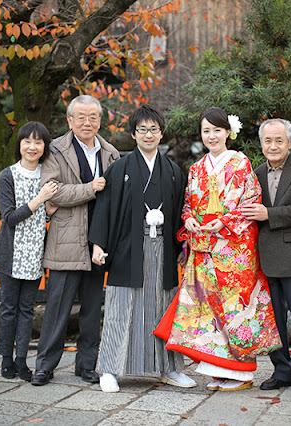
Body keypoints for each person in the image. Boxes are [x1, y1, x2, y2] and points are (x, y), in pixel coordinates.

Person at [154, 107, 281, 392]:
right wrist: (188, 219)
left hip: (234, 250)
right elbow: (188, 203)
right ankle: (218, 371)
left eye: (217, 130)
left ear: (228, 133)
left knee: (235, 310)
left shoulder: (240, 162)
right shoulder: (197, 168)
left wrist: (221, 223)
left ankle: (242, 373)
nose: (212, 136)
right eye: (206, 131)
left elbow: (250, 201)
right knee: (208, 311)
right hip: (204, 248)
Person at [89, 105, 195, 392]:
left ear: (161, 133)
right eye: (142, 130)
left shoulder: (173, 171)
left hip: (163, 249)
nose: (148, 135)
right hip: (127, 247)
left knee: (162, 308)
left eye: (153, 129)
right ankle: (109, 369)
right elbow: (105, 209)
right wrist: (98, 244)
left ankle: (168, 368)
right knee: (121, 307)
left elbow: (182, 214)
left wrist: (184, 245)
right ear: (133, 134)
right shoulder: (120, 169)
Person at [32, 95, 120, 386]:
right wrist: (90, 189)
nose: (87, 122)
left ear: (100, 120)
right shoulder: (56, 149)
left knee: (93, 311)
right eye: (81, 117)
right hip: (66, 240)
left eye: (93, 116)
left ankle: (87, 366)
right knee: (57, 310)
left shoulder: (111, 153)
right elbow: (52, 191)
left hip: (98, 242)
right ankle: (44, 366)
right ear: (69, 120)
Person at [242, 118, 291, 397]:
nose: (273, 146)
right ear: (261, 143)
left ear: (289, 142)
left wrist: (270, 215)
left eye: (279, 140)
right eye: (268, 140)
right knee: (272, 321)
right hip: (267, 258)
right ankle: (282, 372)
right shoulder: (255, 173)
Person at [0, 122, 58, 381]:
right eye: (27, 141)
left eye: (38, 142)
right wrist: (39, 200)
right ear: (19, 145)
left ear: (44, 146)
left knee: (27, 309)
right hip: (10, 254)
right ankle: (6, 360)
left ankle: (22, 361)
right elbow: (9, 218)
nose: (32, 147)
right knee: (9, 307)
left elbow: (48, 212)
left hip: (34, 254)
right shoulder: (8, 175)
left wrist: (48, 211)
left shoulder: (47, 175)